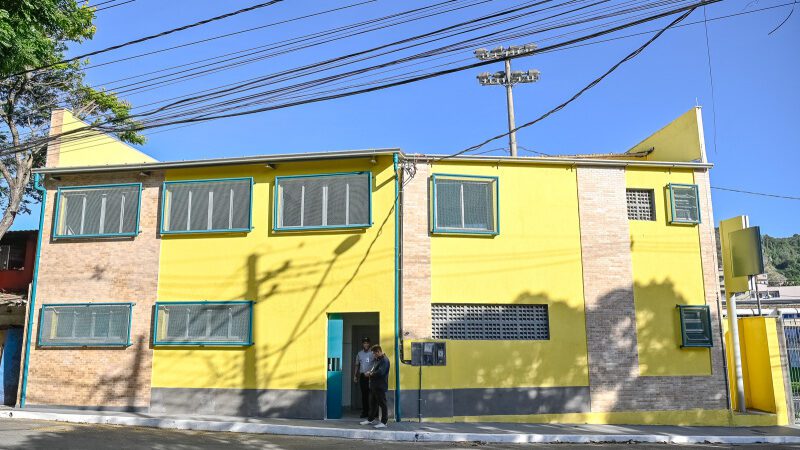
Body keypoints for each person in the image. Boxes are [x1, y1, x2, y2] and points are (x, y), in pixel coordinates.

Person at [360, 344, 390, 429]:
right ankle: (370, 419)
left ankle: (384, 422)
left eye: (374, 353)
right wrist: (370, 372)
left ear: (378, 351)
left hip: (380, 386)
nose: (373, 355)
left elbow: (381, 372)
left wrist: (370, 374)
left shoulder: (384, 360)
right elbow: (374, 369)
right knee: (372, 404)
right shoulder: (378, 360)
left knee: (382, 404)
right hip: (374, 386)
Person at [353, 337, 372, 418]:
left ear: (369, 344)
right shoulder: (359, 354)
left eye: (367, 343)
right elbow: (357, 365)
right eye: (364, 343)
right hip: (363, 377)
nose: (366, 344)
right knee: (364, 395)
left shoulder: (372, 353)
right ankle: (365, 412)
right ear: (362, 344)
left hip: (372, 377)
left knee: (373, 395)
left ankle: (373, 412)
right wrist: (355, 375)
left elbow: (377, 363)